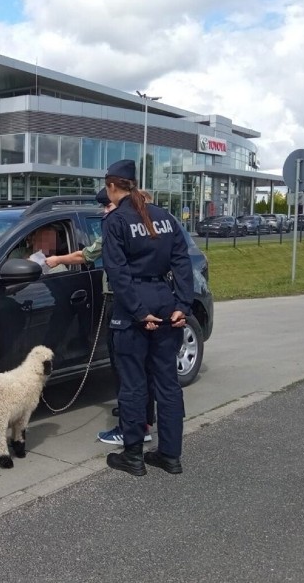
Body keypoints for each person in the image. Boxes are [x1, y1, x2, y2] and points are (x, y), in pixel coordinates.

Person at [100, 159, 194, 476]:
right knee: (167, 384)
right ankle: (170, 455)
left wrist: (139, 313)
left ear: (113, 186)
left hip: (134, 310)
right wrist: (183, 303)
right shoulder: (164, 217)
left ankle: (133, 456)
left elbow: (117, 272)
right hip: (167, 305)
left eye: (106, 188)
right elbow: (182, 262)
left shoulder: (116, 221)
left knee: (133, 385)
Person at [45, 189, 154, 445]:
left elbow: (86, 255)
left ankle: (135, 428)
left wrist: (55, 259)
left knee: (126, 367)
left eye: (108, 206)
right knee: (142, 367)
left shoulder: (119, 229)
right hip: (146, 301)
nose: (105, 212)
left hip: (124, 302)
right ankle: (141, 417)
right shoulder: (150, 228)